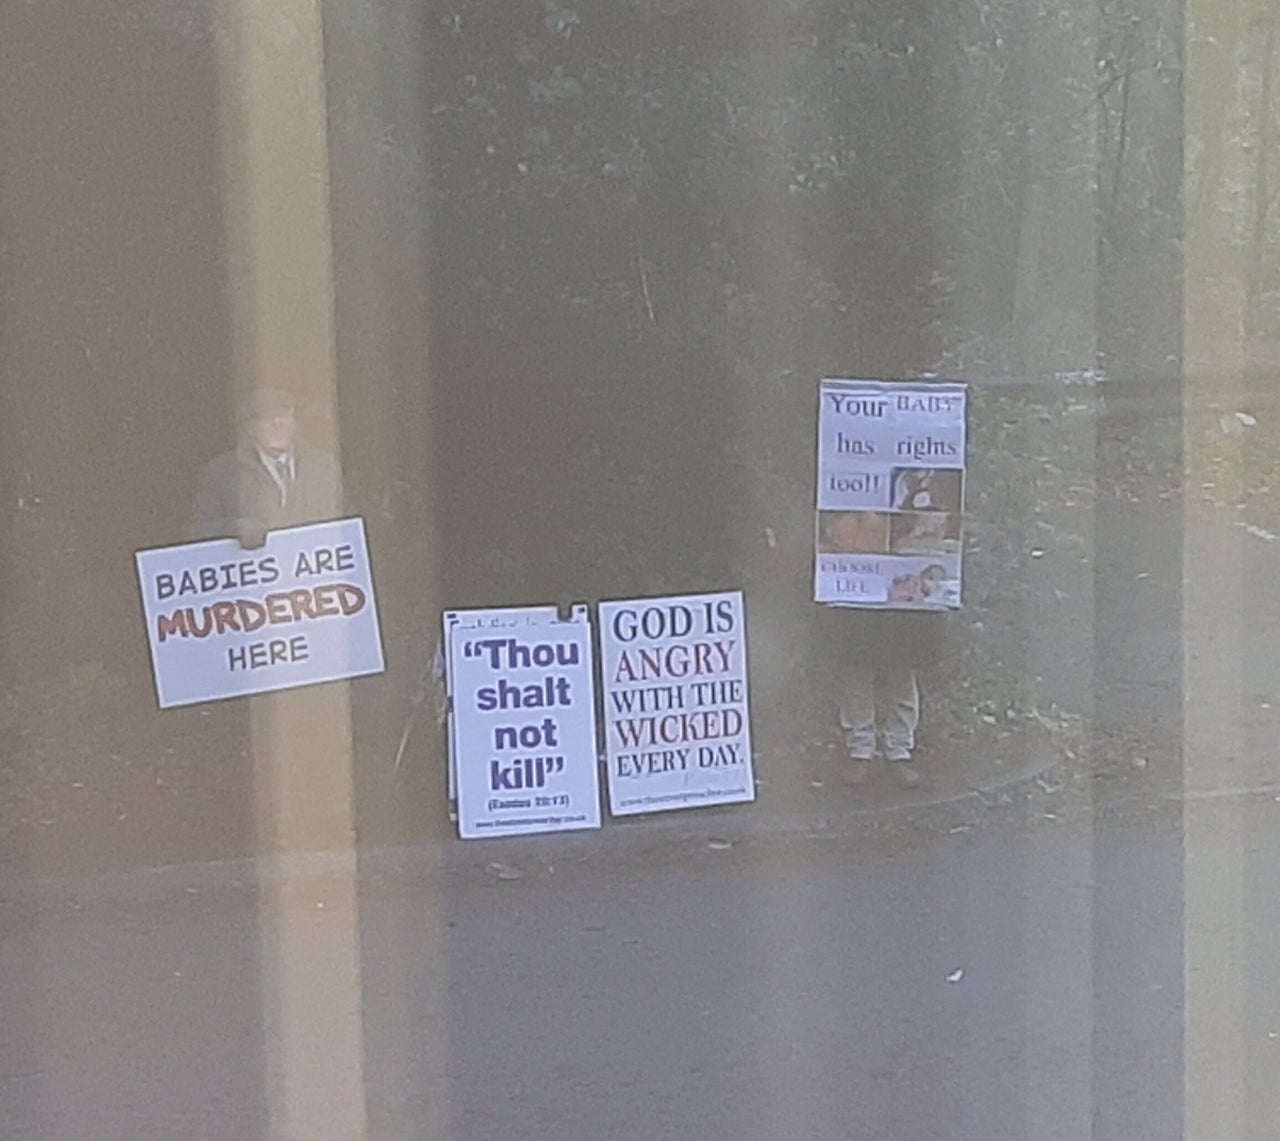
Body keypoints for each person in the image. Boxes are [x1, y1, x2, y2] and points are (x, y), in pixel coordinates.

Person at [187, 388, 342, 548]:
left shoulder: (323, 466)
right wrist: (235, 528)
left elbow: (347, 518)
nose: (277, 423)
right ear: (250, 428)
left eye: (284, 415)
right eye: (267, 418)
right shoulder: (222, 473)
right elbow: (198, 532)